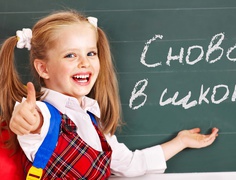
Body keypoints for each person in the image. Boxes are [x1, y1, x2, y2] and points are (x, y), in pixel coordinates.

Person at [0, 10, 219, 179]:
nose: (84, 62)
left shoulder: (93, 118)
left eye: (91, 53)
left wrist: (181, 142)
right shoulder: (42, 116)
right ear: (43, 69)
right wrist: (24, 119)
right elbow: (31, 121)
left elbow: (129, 164)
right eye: (70, 55)